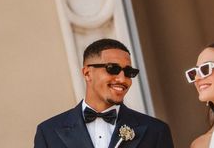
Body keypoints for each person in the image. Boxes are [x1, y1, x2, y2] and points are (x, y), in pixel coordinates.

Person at [34, 38, 174, 148]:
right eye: (112, 68)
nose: (122, 79)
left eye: (128, 72)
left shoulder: (156, 131)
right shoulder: (48, 132)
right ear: (87, 73)